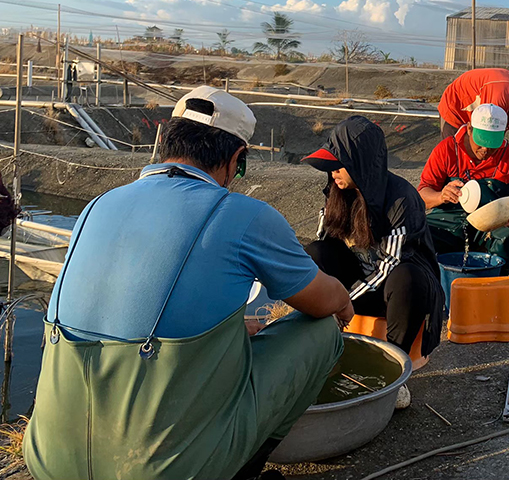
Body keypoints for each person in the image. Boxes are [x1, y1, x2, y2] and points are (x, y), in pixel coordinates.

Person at [25, 86, 353, 480]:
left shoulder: (98, 205)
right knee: (321, 331)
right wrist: (342, 301)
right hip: (163, 471)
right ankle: (240, 469)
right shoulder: (242, 213)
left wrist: (225, 337)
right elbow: (320, 301)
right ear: (237, 159)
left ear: (164, 139)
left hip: (49, 459)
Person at [301, 115, 445, 369]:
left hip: (399, 294)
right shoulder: (336, 191)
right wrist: (327, 297)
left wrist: (342, 300)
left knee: (407, 277)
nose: (333, 171)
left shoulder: (402, 199)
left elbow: (388, 266)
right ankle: (322, 347)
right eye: (330, 165)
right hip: (357, 288)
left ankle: (395, 363)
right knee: (316, 252)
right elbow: (323, 242)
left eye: (339, 165)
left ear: (361, 164)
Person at [419, 104, 509, 274]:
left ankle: (494, 277)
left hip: (492, 221)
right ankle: (435, 280)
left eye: (492, 143)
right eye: (481, 142)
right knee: (416, 231)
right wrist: (441, 196)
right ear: (470, 129)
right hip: (450, 219)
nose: (486, 149)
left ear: (503, 134)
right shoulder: (447, 149)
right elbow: (421, 195)